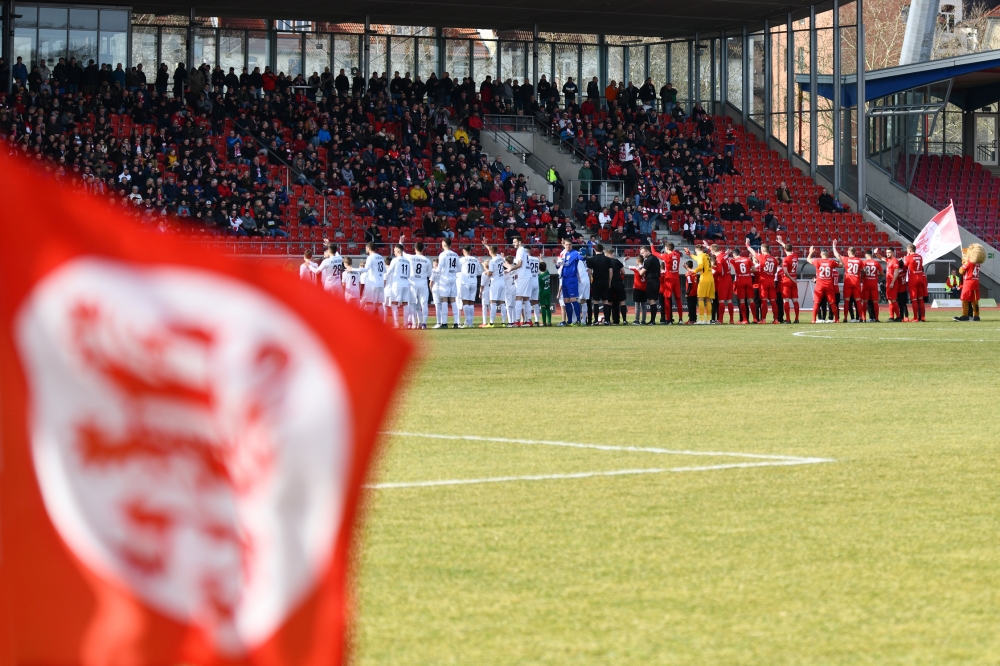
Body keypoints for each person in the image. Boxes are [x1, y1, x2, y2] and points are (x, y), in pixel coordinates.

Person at [400, 239, 432, 329]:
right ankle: (423, 324)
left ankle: (413, 323)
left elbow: (402, 252)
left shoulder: (410, 257)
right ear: (423, 249)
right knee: (424, 304)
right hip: (423, 284)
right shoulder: (427, 260)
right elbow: (429, 274)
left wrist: (400, 242)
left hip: (412, 283)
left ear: (415, 249)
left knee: (412, 304)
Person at [746, 241, 781, 323]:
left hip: (763, 281)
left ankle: (764, 319)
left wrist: (747, 245)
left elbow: (753, 252)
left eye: (761, 249)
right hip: (771, 281)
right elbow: (775, 270)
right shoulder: (774, 259)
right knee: (773, 301)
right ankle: (776, 319)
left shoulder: (762, 257)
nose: (761, 251)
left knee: (764, 301)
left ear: (764, 249)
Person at [650, 240, 683, 324]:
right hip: (676, 279)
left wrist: (651, 244)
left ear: (667, 248)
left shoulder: (667, 256)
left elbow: (654, 253)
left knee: (667, 299)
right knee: (678, 299)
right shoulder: (678, 255)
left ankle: (668, 320)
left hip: (669, 279)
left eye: (665, 248)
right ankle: (680, 319)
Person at [807, 246, 840, 323]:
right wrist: (838, 257)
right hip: (829, 284)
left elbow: (808, 259)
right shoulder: (831, 262)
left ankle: (813, 319)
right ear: (828, 255)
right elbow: (841, 265)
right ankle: (836, 319)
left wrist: (810, 252)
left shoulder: (817, 261)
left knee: (816, 302)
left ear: (821, 254)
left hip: (819, 285)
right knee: (832, 303)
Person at [833, 241, 864, 323]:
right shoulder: (859, 260)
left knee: (847, 301)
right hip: (856, 281)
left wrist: (834, 246)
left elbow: (837, 255)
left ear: (849, 252)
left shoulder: (846, 259)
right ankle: (861, 317)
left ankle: (845, 318)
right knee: (858, 301)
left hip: (848, 282)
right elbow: (864, 270)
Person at [955, 244, 986, 321]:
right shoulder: (978, 263)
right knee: (974, 300)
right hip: (976, 282)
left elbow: (961, 271)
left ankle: (965, 315)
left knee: (964, 299)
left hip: (968, 282)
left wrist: (963, 264)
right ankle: (976, 316)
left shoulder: (968, 262)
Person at [685, 244, 715, 324]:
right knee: (708, 299)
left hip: (704, 279)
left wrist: (693, 271)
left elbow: (701, 266)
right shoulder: (706, 255)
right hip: (711, 279)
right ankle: (708, 320)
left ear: (696, 250)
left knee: (700, 299)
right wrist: (690, 255)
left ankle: (701, 319)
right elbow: (697, 258)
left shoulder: (701, 256)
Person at [385, 244, 413, 328]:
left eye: (394, 251)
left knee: (394, 303)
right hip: (406, 283)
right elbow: (408, 274)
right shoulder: (407, 261)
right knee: (405, 304)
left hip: (397, 284)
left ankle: (396, 323)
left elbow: (389, 271)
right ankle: (405, 324)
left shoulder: (395, 260)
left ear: (398, 250)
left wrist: (384, 277)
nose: (394, 252)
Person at [556, 239, 583, 325]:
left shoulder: (575, 253)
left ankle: (578, 320)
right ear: (564, 245)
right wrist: (557, 264)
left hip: (572, 279)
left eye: (570, 244)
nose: (568, 246)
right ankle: (569, 321)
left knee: (573, 299)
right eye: (567, 244)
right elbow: (558, 266)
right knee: (566, 300)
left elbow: (581, 258)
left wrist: (583, 256)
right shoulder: (562, 254)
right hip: (564, 279)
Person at [435, 238, 461, 328]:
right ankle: (456, 323)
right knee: (453, 301)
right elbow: (459, 269)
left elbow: (439, 268)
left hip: (445, 279)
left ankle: (444, 323)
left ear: (444, 244)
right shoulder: (455, 255)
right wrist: (452, 271)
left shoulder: (442, 254)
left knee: (444, 300)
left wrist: (435, 271)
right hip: (453, 279)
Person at [508, 236, 533, 326]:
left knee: (518, 297)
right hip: (527, 276)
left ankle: (517, 321)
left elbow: (519, 264)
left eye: (515, 242)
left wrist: (510, 269)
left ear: (519, 242)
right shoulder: (524, 251)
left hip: (523, 277)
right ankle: (529, 321)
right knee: (526, 298)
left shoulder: (520, 250)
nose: (513, 244)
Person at [587, 244, 614, 325]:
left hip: (596, 281)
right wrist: (609, 281)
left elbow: (589, 272)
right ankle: (607, 320)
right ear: (602, 250)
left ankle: (595, 321)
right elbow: (610, 271)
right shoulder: (607, 259)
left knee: (596, 301)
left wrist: (590, 281)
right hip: (605, 281)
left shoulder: (591, 259)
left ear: (595, 250)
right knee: (606, 301)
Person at [457, 245, 482, 328]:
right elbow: (479, 272)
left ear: (463, 251)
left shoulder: (461, 260)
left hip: (465, 282)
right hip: (474, 282)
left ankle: (467, 322)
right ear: (470, 251)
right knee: (471, 303)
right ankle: (470, 322)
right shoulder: (475, 260)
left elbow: (457, 270)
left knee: (465, 302)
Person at [777, 236, 800, 323]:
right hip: (794, 279)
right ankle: (796, 319)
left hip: (787, 281)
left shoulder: (786, 259)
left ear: (785, 250)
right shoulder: (795, 256)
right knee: (795, 300)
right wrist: (781, 242)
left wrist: (791, 278)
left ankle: (788, 319)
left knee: (786, 300)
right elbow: (788, 249)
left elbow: (785, 271)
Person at [635, 246, 661, 325]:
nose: (642, 255)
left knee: (652, 301)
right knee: (653, 301)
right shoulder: (656, 258)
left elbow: (641, 273)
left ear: (647, 251)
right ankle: (652, 320)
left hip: (651, 281)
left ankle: (652, 321)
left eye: (643, 253)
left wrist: (638, 269)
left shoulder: (648, 260)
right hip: (656, 280)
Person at [903, 244, 928, 322]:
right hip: (920, 279)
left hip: (913, 280)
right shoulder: (920, 257)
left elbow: (904, 268)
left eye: (907, 250)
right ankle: (923, 317)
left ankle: (915, 318)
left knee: (914, 299)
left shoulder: (908, 257)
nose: (907, 251)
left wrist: (905, 259)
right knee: (920, 299)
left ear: (910, 250)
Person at [361, 242, 387, 320]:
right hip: (380, 284)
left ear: (369, 248)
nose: (365, 249)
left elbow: (365, 269)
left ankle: (370, 322)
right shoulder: (381, 257)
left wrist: (353, 269)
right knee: (380, 304)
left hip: (372, 284)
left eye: (366, 248)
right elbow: (385, 270)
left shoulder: (370, 257)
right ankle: (382, 322)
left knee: (369, 303)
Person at [731, 248, 757, 323]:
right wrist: (748, 271)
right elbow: (754, 270)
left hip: (740, 281)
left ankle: (745, 319)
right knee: (751, 300)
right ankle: (755, 318)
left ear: (734, 254)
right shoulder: (748, 259)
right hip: (748, 281)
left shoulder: (733, 260)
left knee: (742, 301)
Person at [860, 249, 883, 323]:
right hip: (874, 284)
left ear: (866, 255)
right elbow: (882, 273)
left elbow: (861, 274)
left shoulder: (864, 263)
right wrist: (876, 275)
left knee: (864, 302)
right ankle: (876, 318)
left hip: (866, 284)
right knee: (875, 302)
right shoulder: (876, 263)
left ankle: (864, 318)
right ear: (872, 255)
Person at [576, 250, 593, 325]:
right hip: (587, 281)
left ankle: (577, 319)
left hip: (581, 281)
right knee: (584, 301)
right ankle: (583, 320)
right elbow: (589, 272)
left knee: (577, 300)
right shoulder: (586, 261)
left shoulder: (578, 261)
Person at [631, 254, 648, 325]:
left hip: (637, 288)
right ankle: (643, 320)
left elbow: (625, 266)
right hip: (644, 288)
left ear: (638, 261)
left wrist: (624, 260)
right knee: (643, 305)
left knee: (637, 305)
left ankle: (637, 320)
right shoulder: (645, 268)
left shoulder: (636, 268)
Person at [527, 251, 542, 326]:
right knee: (535, 302)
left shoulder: (526, 259)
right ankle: (537, 321)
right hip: (536, 281)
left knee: (527, 302)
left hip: (529, 282)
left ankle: (528, 320)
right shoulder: (536, 259)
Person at [538, 261, 553, 326]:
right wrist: (541, 259)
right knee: (548, 307)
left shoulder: (540, 277)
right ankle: (549, 322)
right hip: (548, 291)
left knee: (543, 307)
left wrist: (538, 295)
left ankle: (544, 322)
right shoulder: (547, 273)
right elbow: (545, 267)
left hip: (542, 292)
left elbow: (539, 287)